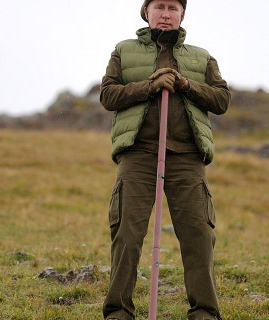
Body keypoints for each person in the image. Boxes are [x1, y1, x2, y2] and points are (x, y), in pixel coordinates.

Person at [99, 0, 230, 319]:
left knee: (199, 235)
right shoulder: (124, 50)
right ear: (147, 12)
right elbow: (108, 95)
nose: (166, 14)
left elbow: (222, 100)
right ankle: (118, 312)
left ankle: (204, 313)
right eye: (159, 6)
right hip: (139, 153)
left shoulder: (201, 57)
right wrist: (149, 86)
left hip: (187, 156)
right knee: (127, 234)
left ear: (182, 14)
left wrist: (185, 84)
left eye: (173, 8)